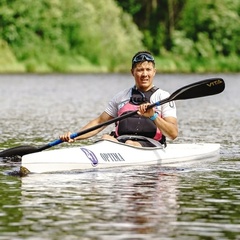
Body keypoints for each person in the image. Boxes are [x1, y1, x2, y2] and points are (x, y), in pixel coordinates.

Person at [60, 51, 178, 147]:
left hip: (150, 145)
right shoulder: (121, 97)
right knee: (105, 138)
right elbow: (99, 122)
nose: (144, 74)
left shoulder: (164, 97)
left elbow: (173, 133)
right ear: (132, 72)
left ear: (154, 72)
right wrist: (75, 136)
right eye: (140, 70)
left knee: (130, 143)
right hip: (121, 143)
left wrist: (154, 116)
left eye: (148, 69)